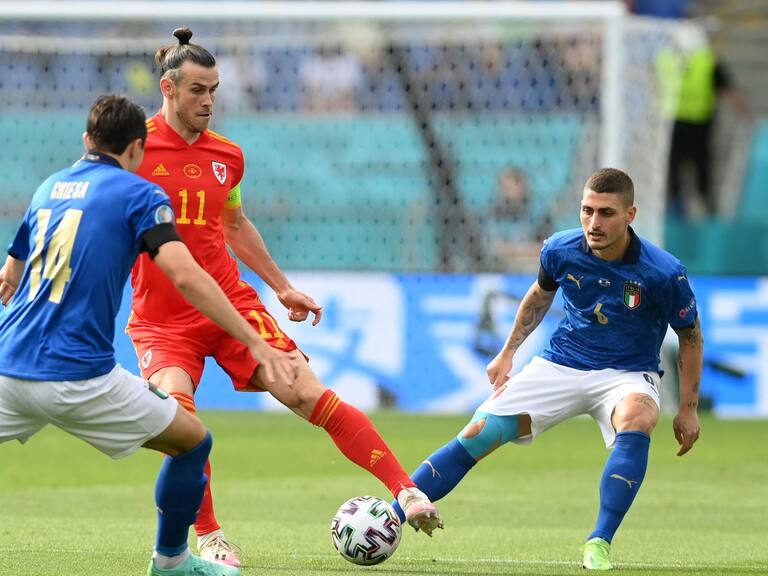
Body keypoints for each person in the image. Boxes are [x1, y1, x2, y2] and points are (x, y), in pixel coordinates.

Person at [127, 28, 443, 567]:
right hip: (162, 322)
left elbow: (233, 222)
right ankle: (209, 536)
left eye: (215, 90)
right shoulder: (133, 148)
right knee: (182, 425)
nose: (208, 101)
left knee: (305, 391)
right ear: (168, 88)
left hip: (231, 307)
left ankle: (406, 489)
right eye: (198, 90)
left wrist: (281, 286)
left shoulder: (228, 155)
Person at [0, 95, 299, 576]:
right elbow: (188, 277)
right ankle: (172, 562)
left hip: (8, 365)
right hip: (79, 377)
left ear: (86, 140)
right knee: (192, 443)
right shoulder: (139, 194)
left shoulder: (50, 187)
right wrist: (254, 338)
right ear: (138, 149)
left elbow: (10, 271)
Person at [391, 167, 703, 570]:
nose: (594, 223)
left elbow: (691, 338)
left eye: (606, 213)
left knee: (639, 417)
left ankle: (599, 542)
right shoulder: (560, 249)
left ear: (631, 215)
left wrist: (689, 407)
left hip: (626, 374)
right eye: (587, 210)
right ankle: (389, 518)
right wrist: (507, 353)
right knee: (478, 433)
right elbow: (538, 297)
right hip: (562, 363)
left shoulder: (663, 272)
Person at [657, 23, 750, 218]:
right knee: (701, 167)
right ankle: (705, 210)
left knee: (674, 169)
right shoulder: (708, 61)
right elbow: (728, 89)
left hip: (671, 123)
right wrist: (744, 113)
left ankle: (676, 210)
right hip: (699, 125)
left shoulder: (665, 59)